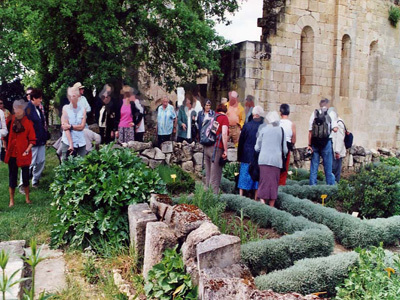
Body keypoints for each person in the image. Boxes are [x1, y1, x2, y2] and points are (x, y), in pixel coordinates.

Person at [4, 100, 36, 207]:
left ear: (23, 110)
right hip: (12, 153)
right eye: (15, 108)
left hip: (24, 154)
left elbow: (32, 140)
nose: (16, 110)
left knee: (26, 176)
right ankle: (11, 200)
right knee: (12, 176)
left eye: (18, 108)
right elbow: (4, 134)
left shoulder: (28, 122)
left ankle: (27, 198)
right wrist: (4, 145)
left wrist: (27, 150)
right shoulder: (10, 120)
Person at [255, 111, 288, 207]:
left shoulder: (263, 130)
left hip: (263, 160)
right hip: (276, 161)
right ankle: (271, 207)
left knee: (263, 183)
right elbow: (285, 149)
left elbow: (257, 147)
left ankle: (262, 204)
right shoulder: (281, 131)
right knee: (273, 185)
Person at [21, 88, 48, 189]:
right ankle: (22, 185)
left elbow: (41, 125)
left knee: (41, 161)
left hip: (40, 140)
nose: (41, 100)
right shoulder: (27, 109)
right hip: (31, 142)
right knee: (28, 164)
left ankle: (35, 180)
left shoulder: (38, 109)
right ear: (33, 99)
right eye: (39, 98)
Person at [307, 98, 337, 185]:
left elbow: (310, 131)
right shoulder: (331, 113)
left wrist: (309, 144)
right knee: (328, 167)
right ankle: (330, 187)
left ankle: (312, 187)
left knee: (314, 167)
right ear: (327, 105)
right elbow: (335, 129)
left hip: (315, 143)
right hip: (326, 142)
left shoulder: (314, 113)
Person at [237, 105, 265, 199]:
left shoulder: (247, 126)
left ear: (253, 114)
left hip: (246, 155)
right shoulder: (263, 127)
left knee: (244, 175)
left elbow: (241, 142)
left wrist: (239, 156)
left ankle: (241, 195)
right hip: (257, 156)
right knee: (256, 177)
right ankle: (255, 197)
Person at [204, 104, 229, 194]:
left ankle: (205, 198)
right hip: (216, 148)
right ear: (225, 111)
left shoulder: (212, 116)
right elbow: (224, 134)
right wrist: (225, 150)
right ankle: (213, 201)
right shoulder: (224, 118)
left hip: (206, 146)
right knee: (215, 176)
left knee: (208, 175)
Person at [60, 87, 87, 161]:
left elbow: (82, 126)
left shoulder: (83, 109)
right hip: (67, 142)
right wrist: (71, 144)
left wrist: (70, 126)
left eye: (74, 95)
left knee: (81, 165)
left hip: (81, 142)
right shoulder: (65, 108)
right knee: (66, 165)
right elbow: (65, 128)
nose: (72, 98)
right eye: (70, 96)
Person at [279, 104, 297, 186]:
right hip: (287, 146)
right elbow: (294, 138)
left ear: (280, 112)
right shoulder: (291, 124)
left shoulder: (277, 123)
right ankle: (281, 186)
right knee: (284, 169)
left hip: (278, 146)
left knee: (277, 167)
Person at [332, 109, 346, 183]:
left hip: (337, 152)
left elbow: (340, 138)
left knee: (335, 171)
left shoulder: (339, 123)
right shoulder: (335, 123)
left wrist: (337, 151)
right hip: (334, 151)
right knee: (333, 170)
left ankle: (335, 187)